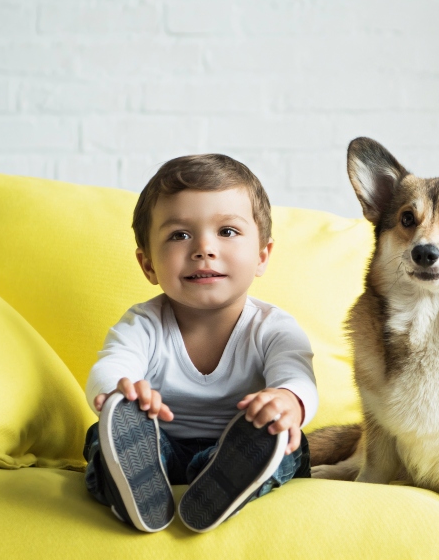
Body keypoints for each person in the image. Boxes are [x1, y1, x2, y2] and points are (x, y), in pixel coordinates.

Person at [83, 154, 317, 533]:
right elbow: (111, 366)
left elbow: (298, 377)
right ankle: (131, 488)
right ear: (148, 265)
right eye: (179, 235)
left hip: (239, 446)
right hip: (160, 451)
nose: (203, 249)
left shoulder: (274, 328)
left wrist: (290, 401)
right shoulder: (143, 324)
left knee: (286, 441)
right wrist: (120, 392)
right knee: (102, 437)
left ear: (262, 256)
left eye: (227, 231)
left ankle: (226, 483)